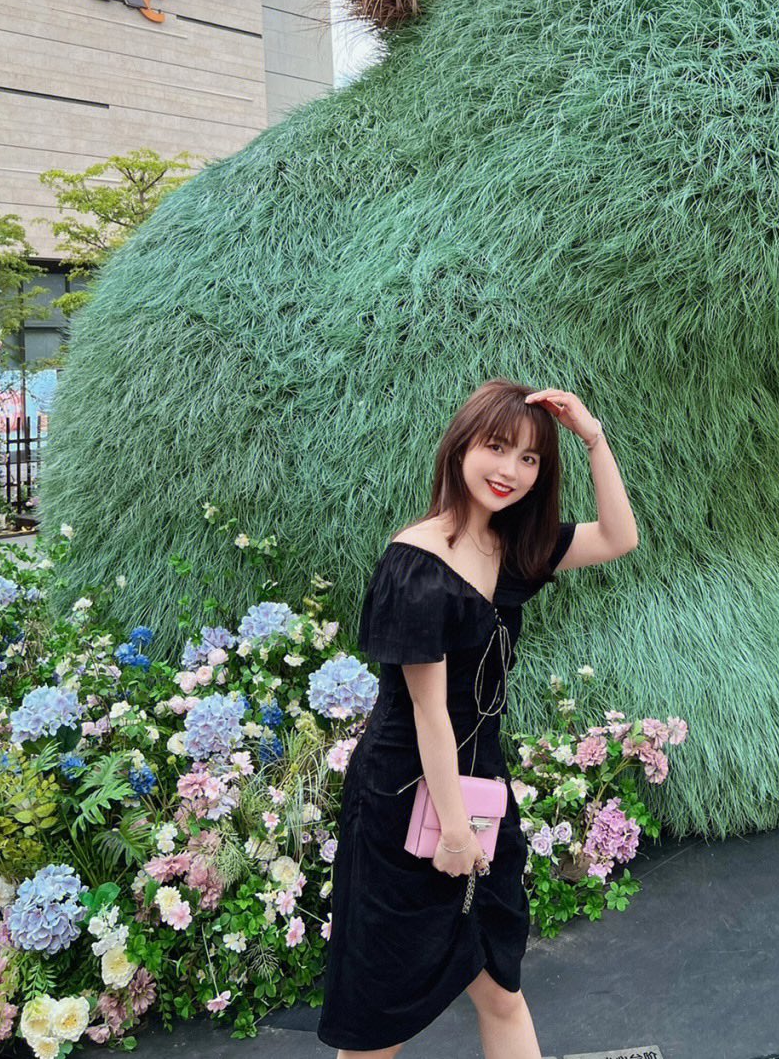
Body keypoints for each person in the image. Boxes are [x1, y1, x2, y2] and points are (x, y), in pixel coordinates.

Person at [316, 377, 640, 1058]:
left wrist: (593, 437)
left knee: (500, 985)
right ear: (461, 445)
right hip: (404, 797)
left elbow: (619, 536)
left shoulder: (511, 546)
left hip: (480, 791)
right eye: (497, 447)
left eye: (529, 458)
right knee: (380, 1014)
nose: (510, 470)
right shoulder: (417, 563)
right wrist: (457, 832)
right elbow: (428, 713)